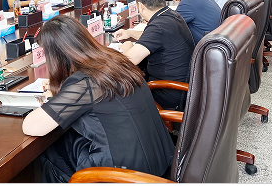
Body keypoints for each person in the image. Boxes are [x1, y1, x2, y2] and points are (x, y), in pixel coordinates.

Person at [21, 16, 174, 182]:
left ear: (55, 55)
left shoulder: (86, 84)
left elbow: (32, 126)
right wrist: (63, 94)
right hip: (159, 161)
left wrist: (57, 98)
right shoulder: (114, 59)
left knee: (52, 150)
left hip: (125, 174)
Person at [113, 0, 195, 110]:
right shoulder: (170, 15)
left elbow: (128, 61)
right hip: (182, 88)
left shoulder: (158, 26)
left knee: (119, 88)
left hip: (167, 93)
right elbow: (155, 37)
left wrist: (126, 47)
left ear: (141, 6)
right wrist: (130, 33)